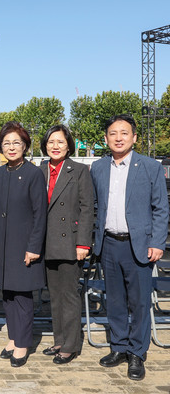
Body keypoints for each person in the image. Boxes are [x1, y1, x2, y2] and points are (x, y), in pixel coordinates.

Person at [91, 114, 168, 381]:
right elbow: (96, 208)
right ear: (106, 138)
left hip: (140, 246)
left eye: (124, 133)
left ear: (134, 137)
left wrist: (157, 242)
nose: (119, 137)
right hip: (109, 244)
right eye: (113, 133)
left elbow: (161, 208)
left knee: (138, 301)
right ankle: (119, 347)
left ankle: (137, 353)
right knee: (114, 301)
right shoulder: (98, 168)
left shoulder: (150, 167)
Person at [0, 121, 47, 368]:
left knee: (23, 297)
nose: (11, 147)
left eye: (16, 143)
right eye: (6, 143)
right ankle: (13, 338)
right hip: (2, 246)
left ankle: (23, 343)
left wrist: (34, 246)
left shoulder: (34, 173)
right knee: (7, 294)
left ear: (25, 145)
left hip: (24, 245)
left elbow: (40, 214)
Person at [39, 125, 94, 364]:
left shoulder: (80, 170)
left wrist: (83, 242)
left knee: (69, 295)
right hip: (46, 241)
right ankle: (59, 340)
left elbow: (86, 208)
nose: (55, 146)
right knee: (54, 295)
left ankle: (71, 345)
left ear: (69, 145)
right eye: (51, 142)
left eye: (60, 142)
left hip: (70, 242)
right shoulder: (40, 170)